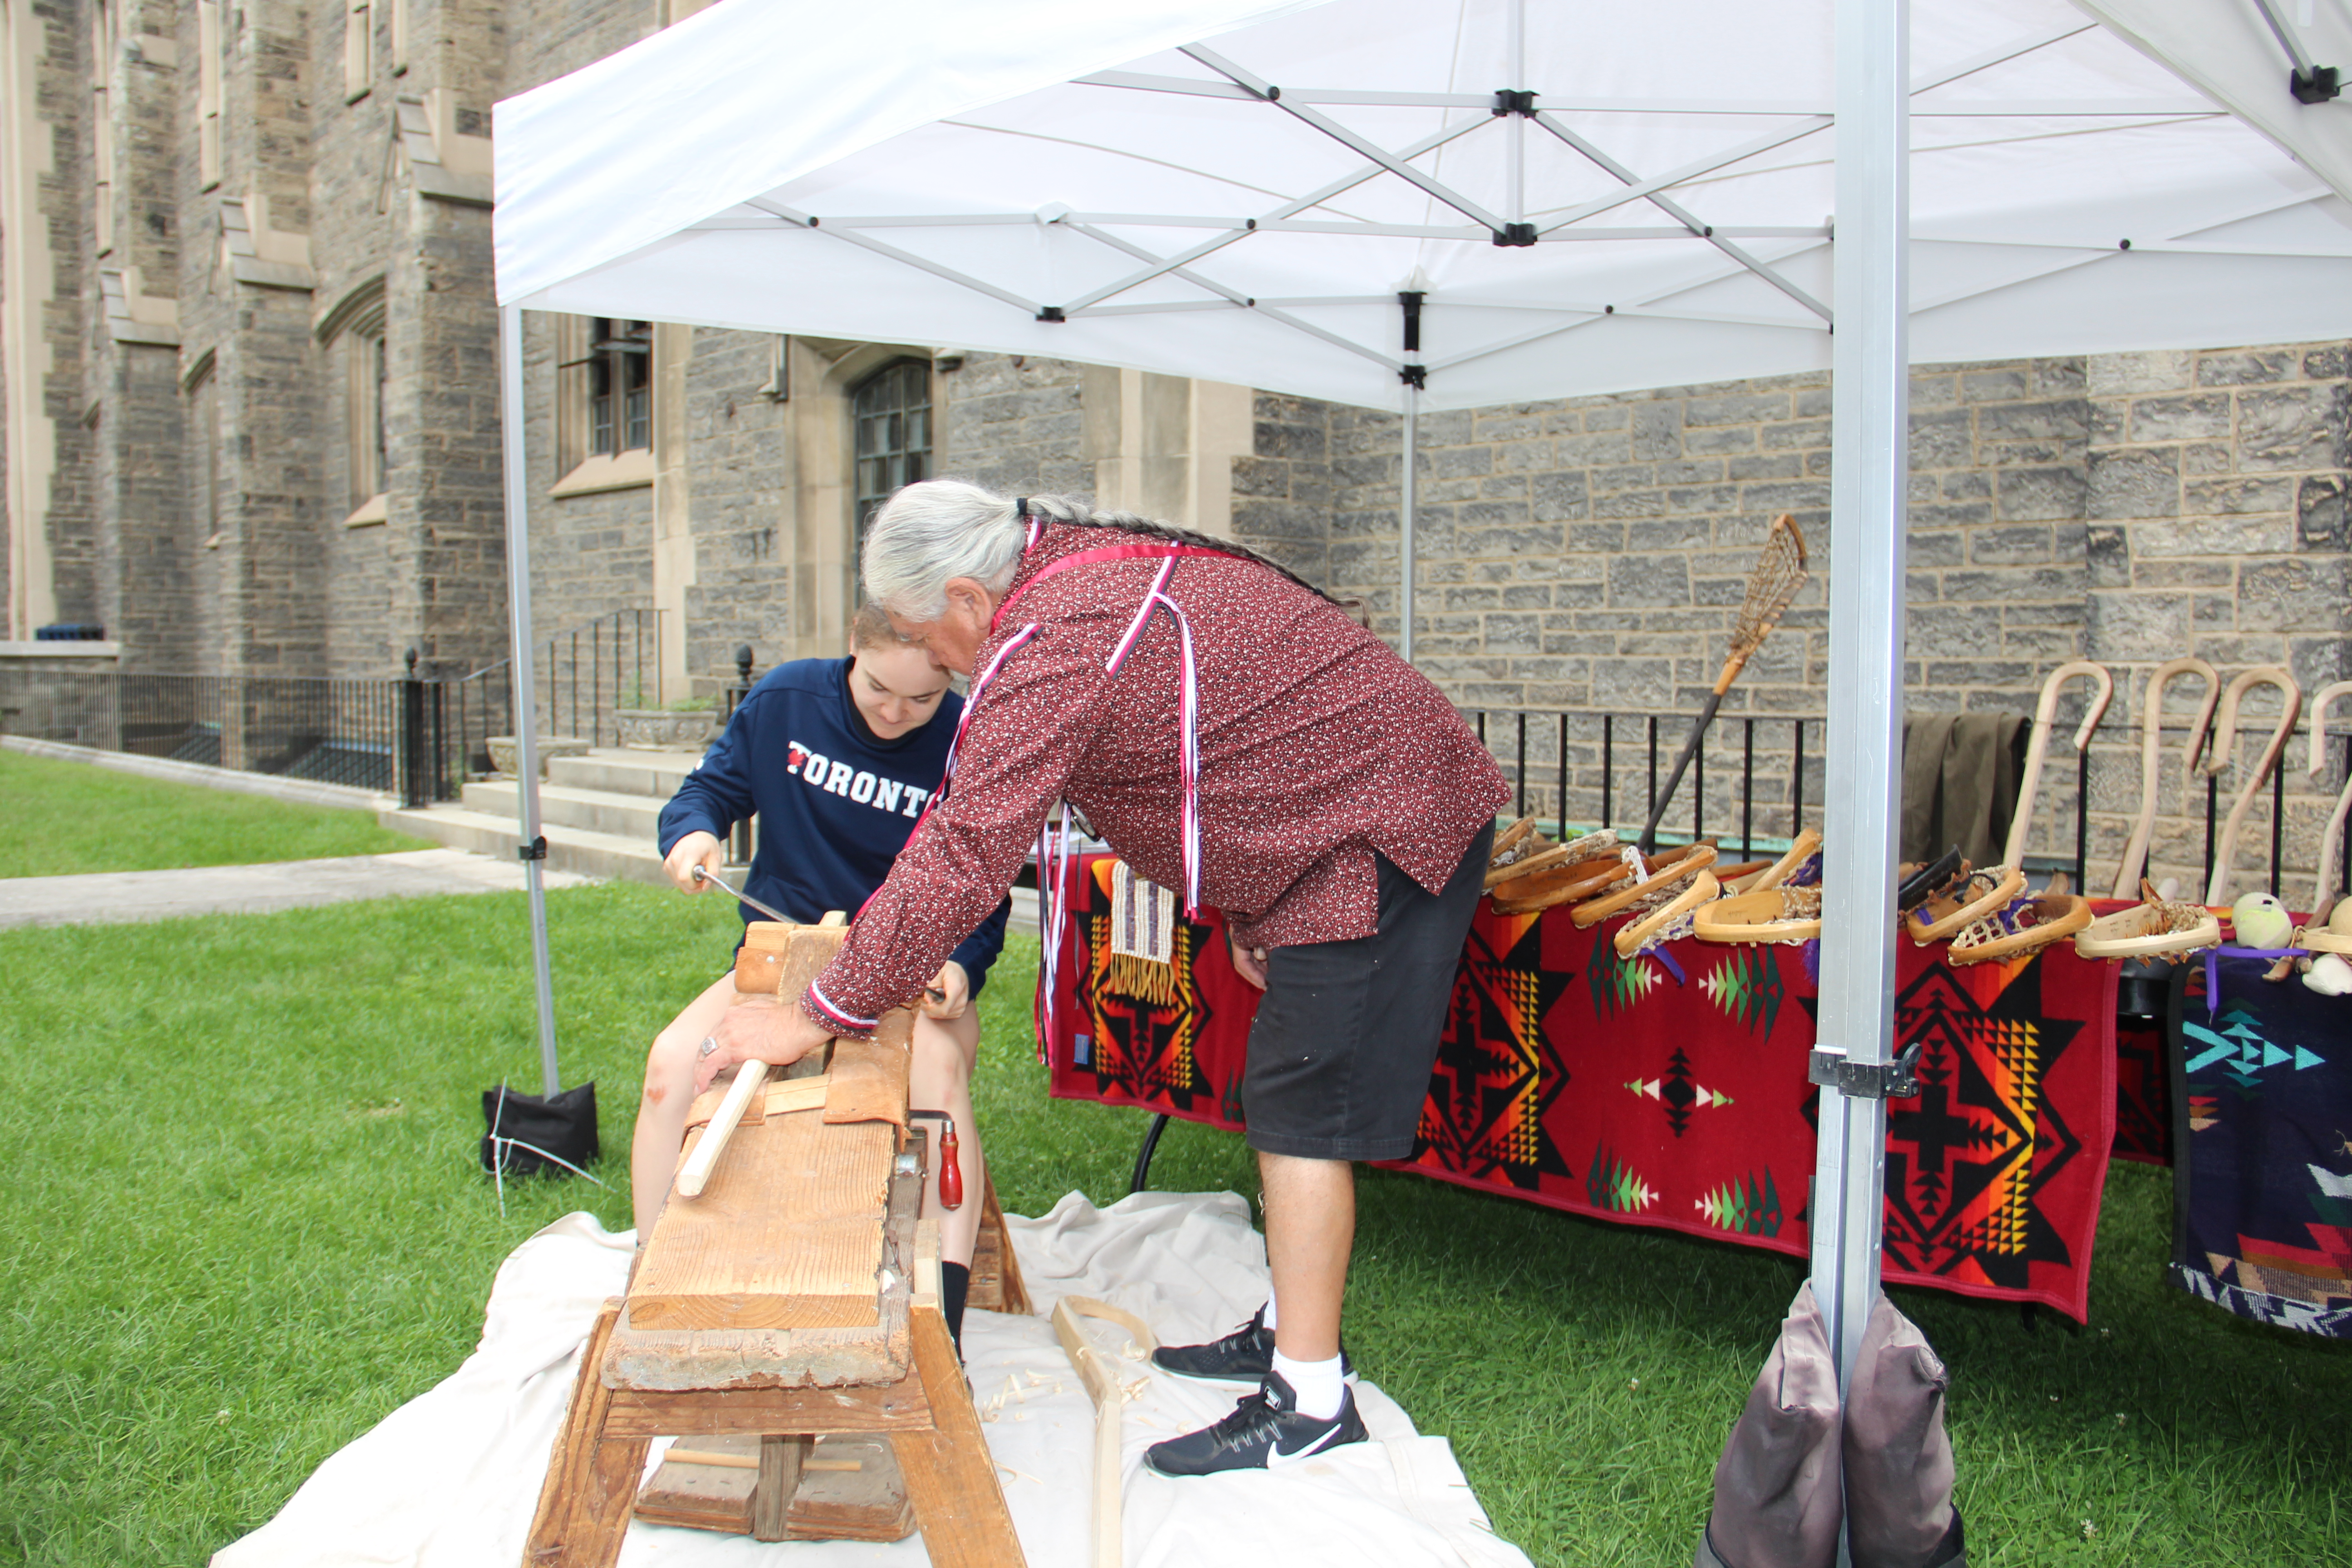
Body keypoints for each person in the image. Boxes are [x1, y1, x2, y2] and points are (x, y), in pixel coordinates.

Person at [693, 479, 1506, 1475]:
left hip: (1383, 818)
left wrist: (819, 1011)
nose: (943, 665)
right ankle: (1292, 1320)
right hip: (1331, 817)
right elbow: (1219, 742)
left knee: (1303, 1103)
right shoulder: (1059, 572)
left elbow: (967, 847)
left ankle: (1311, 1397)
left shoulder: (1053, 638)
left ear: (963, 598)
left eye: (926, 636)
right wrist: (1257, 903)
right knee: (1279, 1085)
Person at [637, 602, 1011, 1346]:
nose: (897, 713)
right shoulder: (785, 701)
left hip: (907, 970)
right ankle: (656, 1283)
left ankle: (945, 1321)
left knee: (937, 1078)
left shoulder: (971, 739)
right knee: (671, 1066)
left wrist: (961, 965)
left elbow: (988, 888)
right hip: (785, 960)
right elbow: (704, 794)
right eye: (879, 689)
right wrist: (693, 835)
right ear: (851, 646)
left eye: (922, 698)